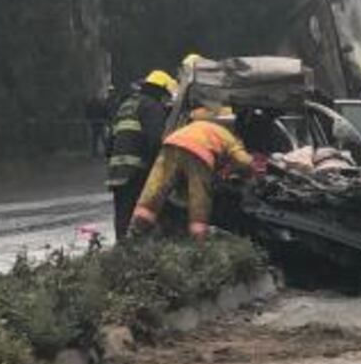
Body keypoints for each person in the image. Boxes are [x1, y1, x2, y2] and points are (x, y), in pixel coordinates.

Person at [129, 109, 262, 241]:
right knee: (199, 199)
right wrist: (252, 171)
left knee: (155, 189)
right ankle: (198, 241)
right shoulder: (229, 136)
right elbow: (243, 160)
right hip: (198, 154)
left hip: (171, 144)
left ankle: (136, 231)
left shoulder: (196, 125)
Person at [105, 70, 179, 241]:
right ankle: (144, 253)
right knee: (146, 213)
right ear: (160, 91)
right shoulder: (152, 107)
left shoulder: (126, 104)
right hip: (137, 170)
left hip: (118, 172)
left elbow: (109, 143)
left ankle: (123, 251)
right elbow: (154, 141)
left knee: (123, 215)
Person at [84, 92, 110, 158]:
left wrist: (89, 120)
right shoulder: (99, 104)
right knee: (100, 139)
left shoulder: (91, 104)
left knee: (96, 139)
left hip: (96, 124)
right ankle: (105, 152)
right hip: (98, 123)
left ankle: (95, 153)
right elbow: (105, 112)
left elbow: (87, 113)